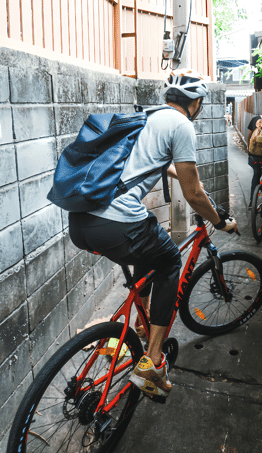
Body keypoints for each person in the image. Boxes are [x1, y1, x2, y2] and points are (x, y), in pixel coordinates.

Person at [68, 69, 238, 400]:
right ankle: (154, 359)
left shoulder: (144, 118)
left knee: (148, 250)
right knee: (170, 260)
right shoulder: (182, 125)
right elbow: (193, 193)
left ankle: (141, 328)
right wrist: (219, 222)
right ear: (197, 103)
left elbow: (157, 164)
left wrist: (178, 173)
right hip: (117, 224)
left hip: (82, 222)